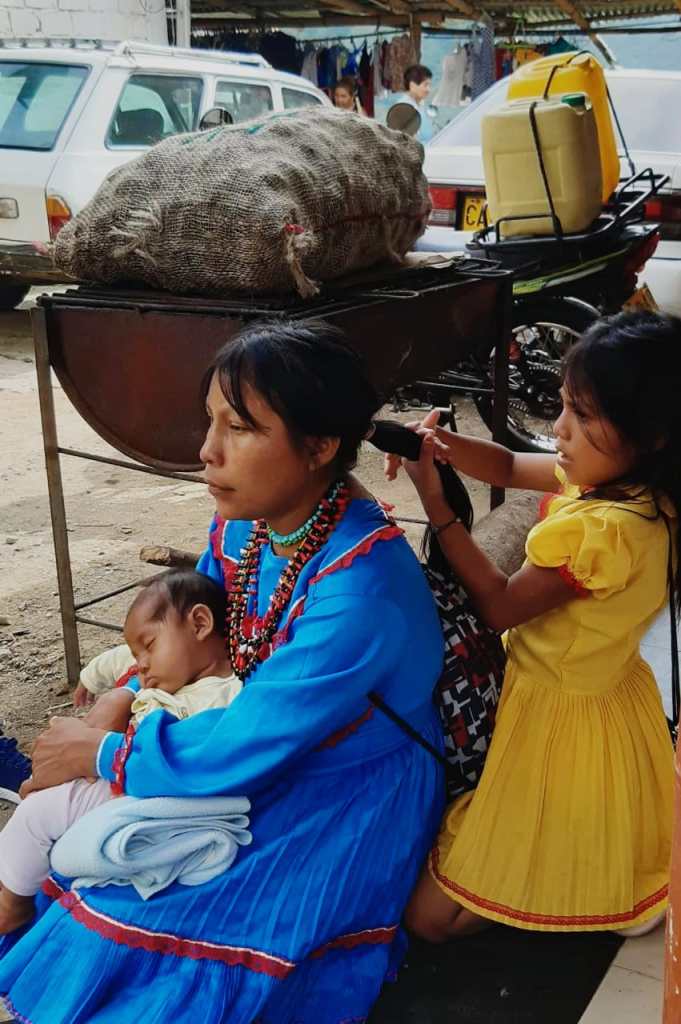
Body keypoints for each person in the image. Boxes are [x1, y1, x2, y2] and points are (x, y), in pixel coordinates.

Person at [0, 319, 445, 1024]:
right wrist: (119, 699)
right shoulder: (250, 528)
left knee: (166, 913)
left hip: (341, 780)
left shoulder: (362, 591)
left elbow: (248, 741)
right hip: (244, 743)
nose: (207, 450)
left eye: (238, 428)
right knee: (104, 864)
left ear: (320, 446)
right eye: (210, 421)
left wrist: (105, 752)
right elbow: (191, 637)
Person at [385, 310, 678, 941]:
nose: (561, 428)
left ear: (652, 432)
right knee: (582, 819)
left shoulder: (603, 532)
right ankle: (598, 877)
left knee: (432, 921)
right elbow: (511, 467)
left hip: (556, 718)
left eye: (584, 416)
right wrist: (442, 445)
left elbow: (498, 605)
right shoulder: (638, 491)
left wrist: (437, 505)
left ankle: (572, 889)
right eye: (565, 405)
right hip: (606, 698)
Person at [0, 570, 241, 934]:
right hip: (126, 772)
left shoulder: (224, 695)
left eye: (149, 645)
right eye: (137, 653)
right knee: (47, 791)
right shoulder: (177, 675)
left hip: (144, 789)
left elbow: (190, 754)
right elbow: (118, 660)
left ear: (200, 623)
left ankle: (12, 904)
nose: (141, 664)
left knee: (37, 813)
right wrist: (93, 680)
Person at [400, 64, 434, 143]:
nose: (428, 89)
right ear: (412, 85)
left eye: (430, 85)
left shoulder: (421, 104)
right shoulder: (403, 108)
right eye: (426, 85)